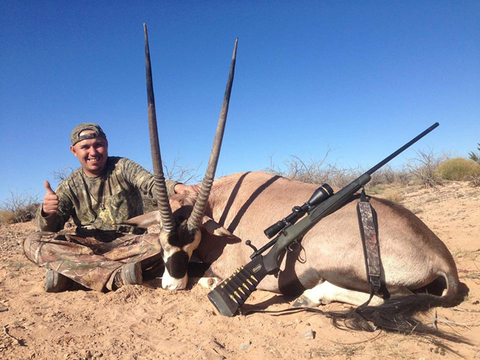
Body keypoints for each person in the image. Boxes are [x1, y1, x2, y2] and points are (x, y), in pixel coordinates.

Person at [23, 122, 197, 293]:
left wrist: (176, 187)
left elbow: (149, 182)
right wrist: (47, 212)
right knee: (32, 242)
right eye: (85, 147)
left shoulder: (122, 166)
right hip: (87, 246)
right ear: (73, 151)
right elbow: (49, 230)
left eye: (98, 145)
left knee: (165, 243)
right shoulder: (69, 186)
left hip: (129, 243)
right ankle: (118, 275)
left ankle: (75, 277)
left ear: (106, 145)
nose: (93, 152)